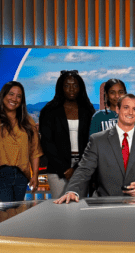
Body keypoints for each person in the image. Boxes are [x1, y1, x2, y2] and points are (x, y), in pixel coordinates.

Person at [55, 94, 135, 203]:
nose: (130, 112)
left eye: (134, 109)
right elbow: (84, 170)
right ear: (117, 109)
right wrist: (72, 191)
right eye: (126, 107)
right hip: (105, 205)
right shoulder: (98, 140)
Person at [39, 70, 95, 199]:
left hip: (82, 166)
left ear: (80, 88)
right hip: (57, 169)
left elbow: (91, 142)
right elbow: (47, 142)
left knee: (78, 207)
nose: (71, 89)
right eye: (67, 85)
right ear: (60, 87)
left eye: (75, 85)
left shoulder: (88, 110)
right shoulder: (49, 110)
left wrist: (76, 168)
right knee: (60, 209)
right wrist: (65, 169)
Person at [0, 81, 43, 202]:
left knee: (15, 216)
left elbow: (35, 151)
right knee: (3, 215)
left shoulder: (27, 121)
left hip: (21, 176)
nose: (14, 98)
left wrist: (35, 176)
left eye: (19, 96)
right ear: (3, 95)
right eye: (11, 94)